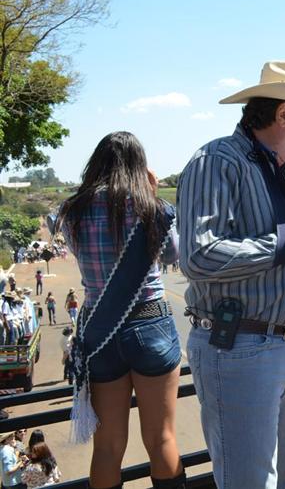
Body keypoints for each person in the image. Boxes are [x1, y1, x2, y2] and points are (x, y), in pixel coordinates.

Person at [179, 61, 285, 489]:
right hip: (240, 347)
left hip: (284, 344)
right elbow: (199, 255)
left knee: (279, 479)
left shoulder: (284, 180)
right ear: (284, 112)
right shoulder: (218, 160)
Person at [57, 132, 184, 489]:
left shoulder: (72, 211)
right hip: (150, 321)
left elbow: (78, 255)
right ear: (139, 166)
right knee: (161, 438)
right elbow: (172, 255)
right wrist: (153, 196)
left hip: (101, 330)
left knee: (108, 447)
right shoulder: (149, 208)